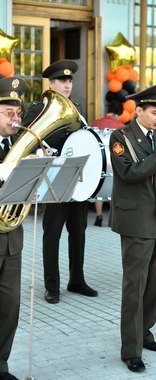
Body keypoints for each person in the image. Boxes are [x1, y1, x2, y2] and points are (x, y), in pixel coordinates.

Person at [109, 83, 156, 373]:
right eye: (155, 112)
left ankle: (145, 333)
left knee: (155, 283)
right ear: (138, 110)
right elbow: (130, 172)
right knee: (135, 286)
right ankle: (130, 348)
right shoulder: (122, 136)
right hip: (136, 221)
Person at [22, 59, 98, 304]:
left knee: (79, 231)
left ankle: (77, 280)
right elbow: (28, 141)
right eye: (62, 81)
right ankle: (51, 286)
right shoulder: (37, 109)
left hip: (76, 178)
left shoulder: (76, 107)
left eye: (69, 80)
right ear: (51, 83)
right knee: (52, 233)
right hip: (54, 178)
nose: (67, 84)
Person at [0, 75, 27, 380]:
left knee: (10, 305)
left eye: (17, 113)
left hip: (11, 238)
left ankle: (1, 364)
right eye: (8, 112)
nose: (15, 118)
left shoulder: (19, 146)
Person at [91, 101, 124, 227]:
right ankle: (112, 218)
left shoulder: (96, 122)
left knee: (99, 187)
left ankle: (99, 216)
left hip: (97, 160)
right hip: (113, 160)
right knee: (113, 188)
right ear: (118, 114)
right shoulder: (120, 125)